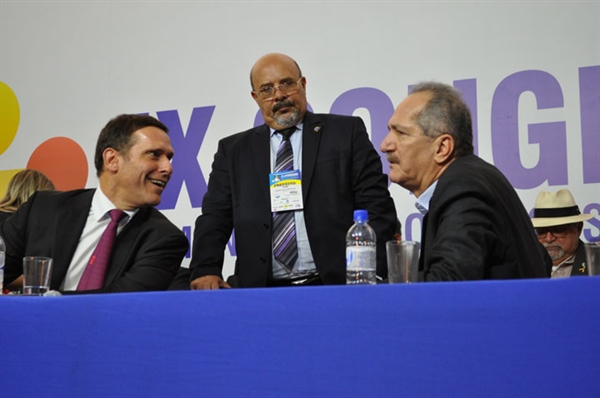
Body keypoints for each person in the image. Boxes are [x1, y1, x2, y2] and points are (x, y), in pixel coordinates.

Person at [189, 53, 397, 289]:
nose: (279, 95)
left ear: (303, 84)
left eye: (287, 83)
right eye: (267, 89)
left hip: (336, 286)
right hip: (261, 289)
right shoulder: (234, 151)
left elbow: (377, 206)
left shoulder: (345, 133)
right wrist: (205, 269)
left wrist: (372, 274)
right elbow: (215, 217)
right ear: (255, 97)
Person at [380, 81, 550, 281]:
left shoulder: (462, 188)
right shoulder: (476, 177)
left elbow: (449, 284)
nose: (385, 145)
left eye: (401, 133)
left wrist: (386, 291)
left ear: (442, 148)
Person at [0, 114, 189, 293]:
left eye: (169, 158)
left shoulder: (166, 239)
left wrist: (42, 300)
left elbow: (116, 304)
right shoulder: (42, 208)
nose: (168, 168)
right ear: (112, 160)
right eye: (154, 154)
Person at [531, 189, 594, 278]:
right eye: (541, 231)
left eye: (558, 230)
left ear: (578, 228)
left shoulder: (595, 264)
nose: (549, 239)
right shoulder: (523, 266)